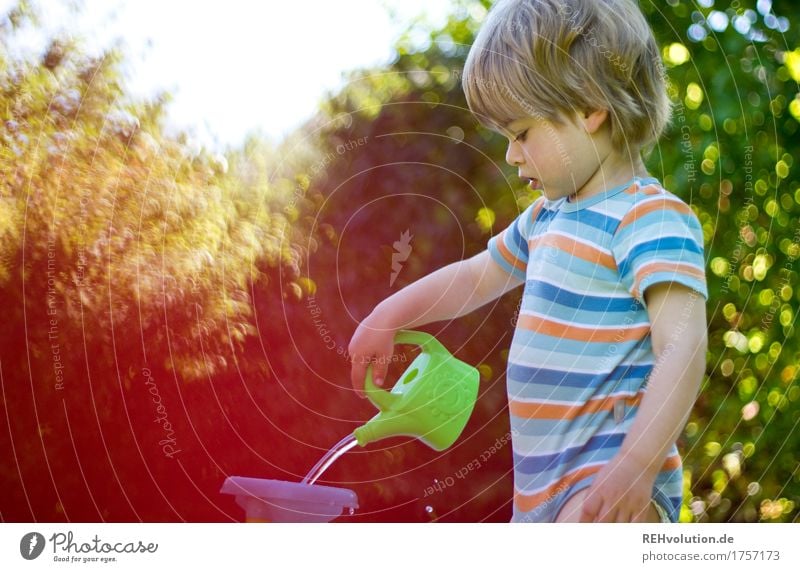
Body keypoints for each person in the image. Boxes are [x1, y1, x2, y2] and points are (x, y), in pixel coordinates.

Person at [347, 0, 708, 523]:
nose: (512, 155)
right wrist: (389, 315)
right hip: (538, 497)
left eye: (520, 134)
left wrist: (636, 465)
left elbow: (682, 347)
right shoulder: (545, 219)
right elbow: (475, 278)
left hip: (609, 484)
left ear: (588, 107)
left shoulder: (649, 219)